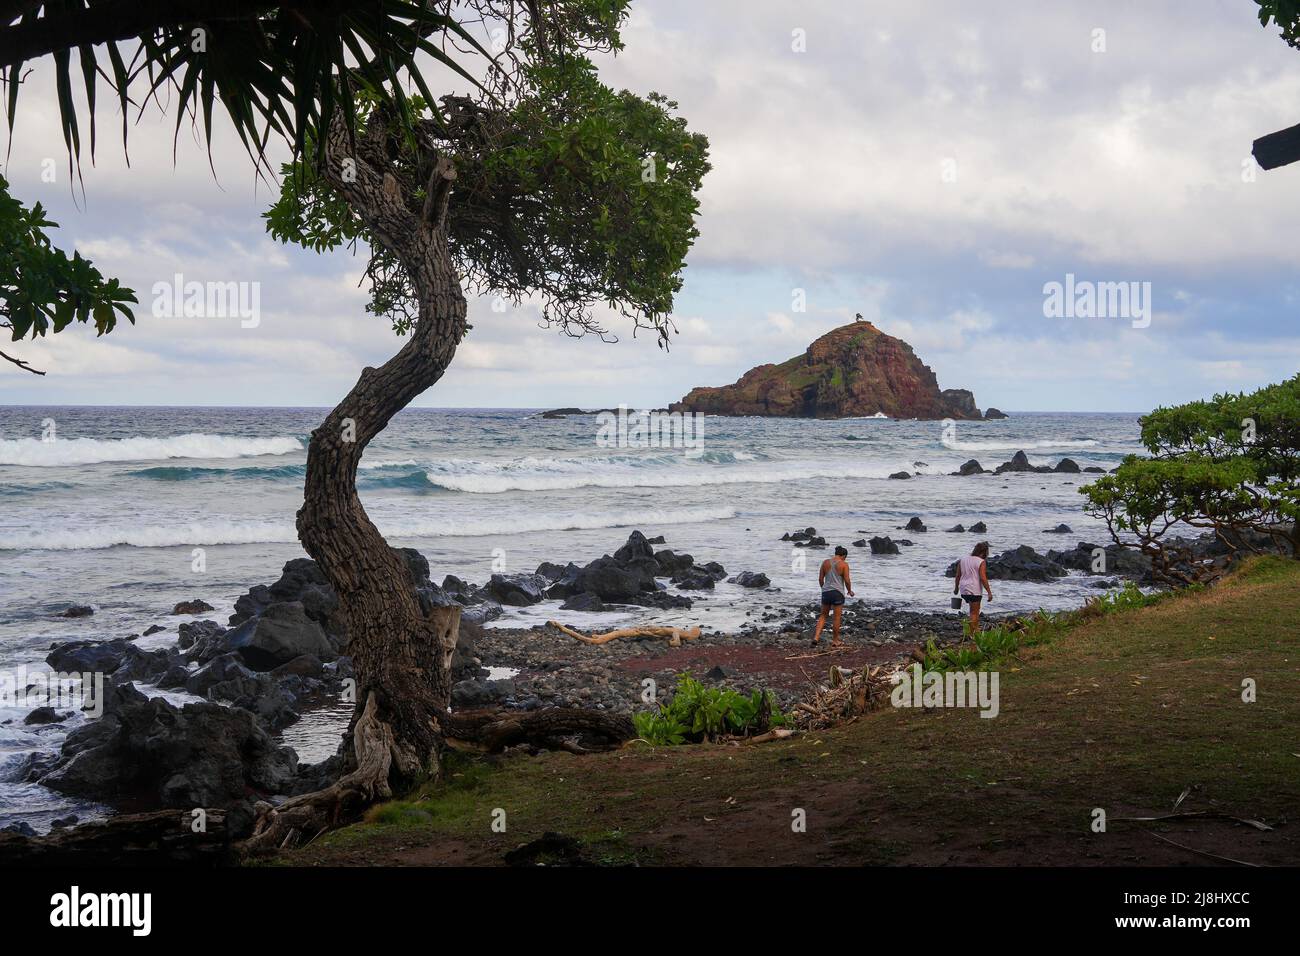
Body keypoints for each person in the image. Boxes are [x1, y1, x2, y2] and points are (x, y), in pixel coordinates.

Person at [813, 546, 854, 647]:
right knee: (836, 618)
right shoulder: (844, 564)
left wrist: (824, 589)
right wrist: (849, 591)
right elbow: (847, 580)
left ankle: (816, 637)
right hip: (837, 593)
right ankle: (835, 641)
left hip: (826, 592)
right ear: (843, 556)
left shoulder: (825, 562)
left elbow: (820, 579)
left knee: (823, 615)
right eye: (845, 557)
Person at [954, 541, 993, 634]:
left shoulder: (963, 560)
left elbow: (958, 576)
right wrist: (989, 592)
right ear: (984, 552)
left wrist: (956, 588)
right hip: (974, 589)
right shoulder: (981, 562)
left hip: (963, 589)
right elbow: (983, 578)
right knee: (974, 612)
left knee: (972, 610)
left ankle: (974, 630)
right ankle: (973, 633)